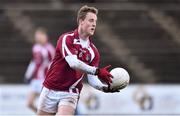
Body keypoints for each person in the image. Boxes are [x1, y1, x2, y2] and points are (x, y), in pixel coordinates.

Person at [37, 5, 119, 115]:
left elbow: (92, 79)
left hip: (70, 92)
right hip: (50, 88)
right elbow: (74, 63)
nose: (94, 24)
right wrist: (97, 71)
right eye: (91, 20)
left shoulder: (93, 51)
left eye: (95, 21)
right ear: (81, 21)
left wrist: (103, 88)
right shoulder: (67, 38)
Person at [24, 27, 55, 113]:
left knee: (43, 105)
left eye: (39, 35)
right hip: (35, 80)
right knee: (29, 103)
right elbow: (34, 62)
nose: (37, 38)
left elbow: (54, 64)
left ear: (45, 36)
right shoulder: (35, 47)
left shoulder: (50, 49)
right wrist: (28, 74)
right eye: (36, 36)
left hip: (44, 80)